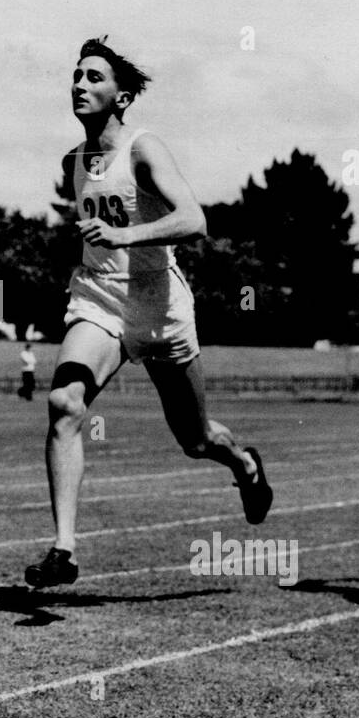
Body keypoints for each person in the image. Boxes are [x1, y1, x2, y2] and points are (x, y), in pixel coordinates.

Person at [25, 37, 272, 588]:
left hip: (158, 305)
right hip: (99, 300)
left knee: (196, 440)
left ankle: (246, 465)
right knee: (64, 402)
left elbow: (194, 220)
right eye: (76, 75)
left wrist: (124, 234)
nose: (79, 85)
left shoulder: (143, 148)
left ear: (123, 96)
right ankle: (63, 550)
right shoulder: (73, 162)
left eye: (94, 78)